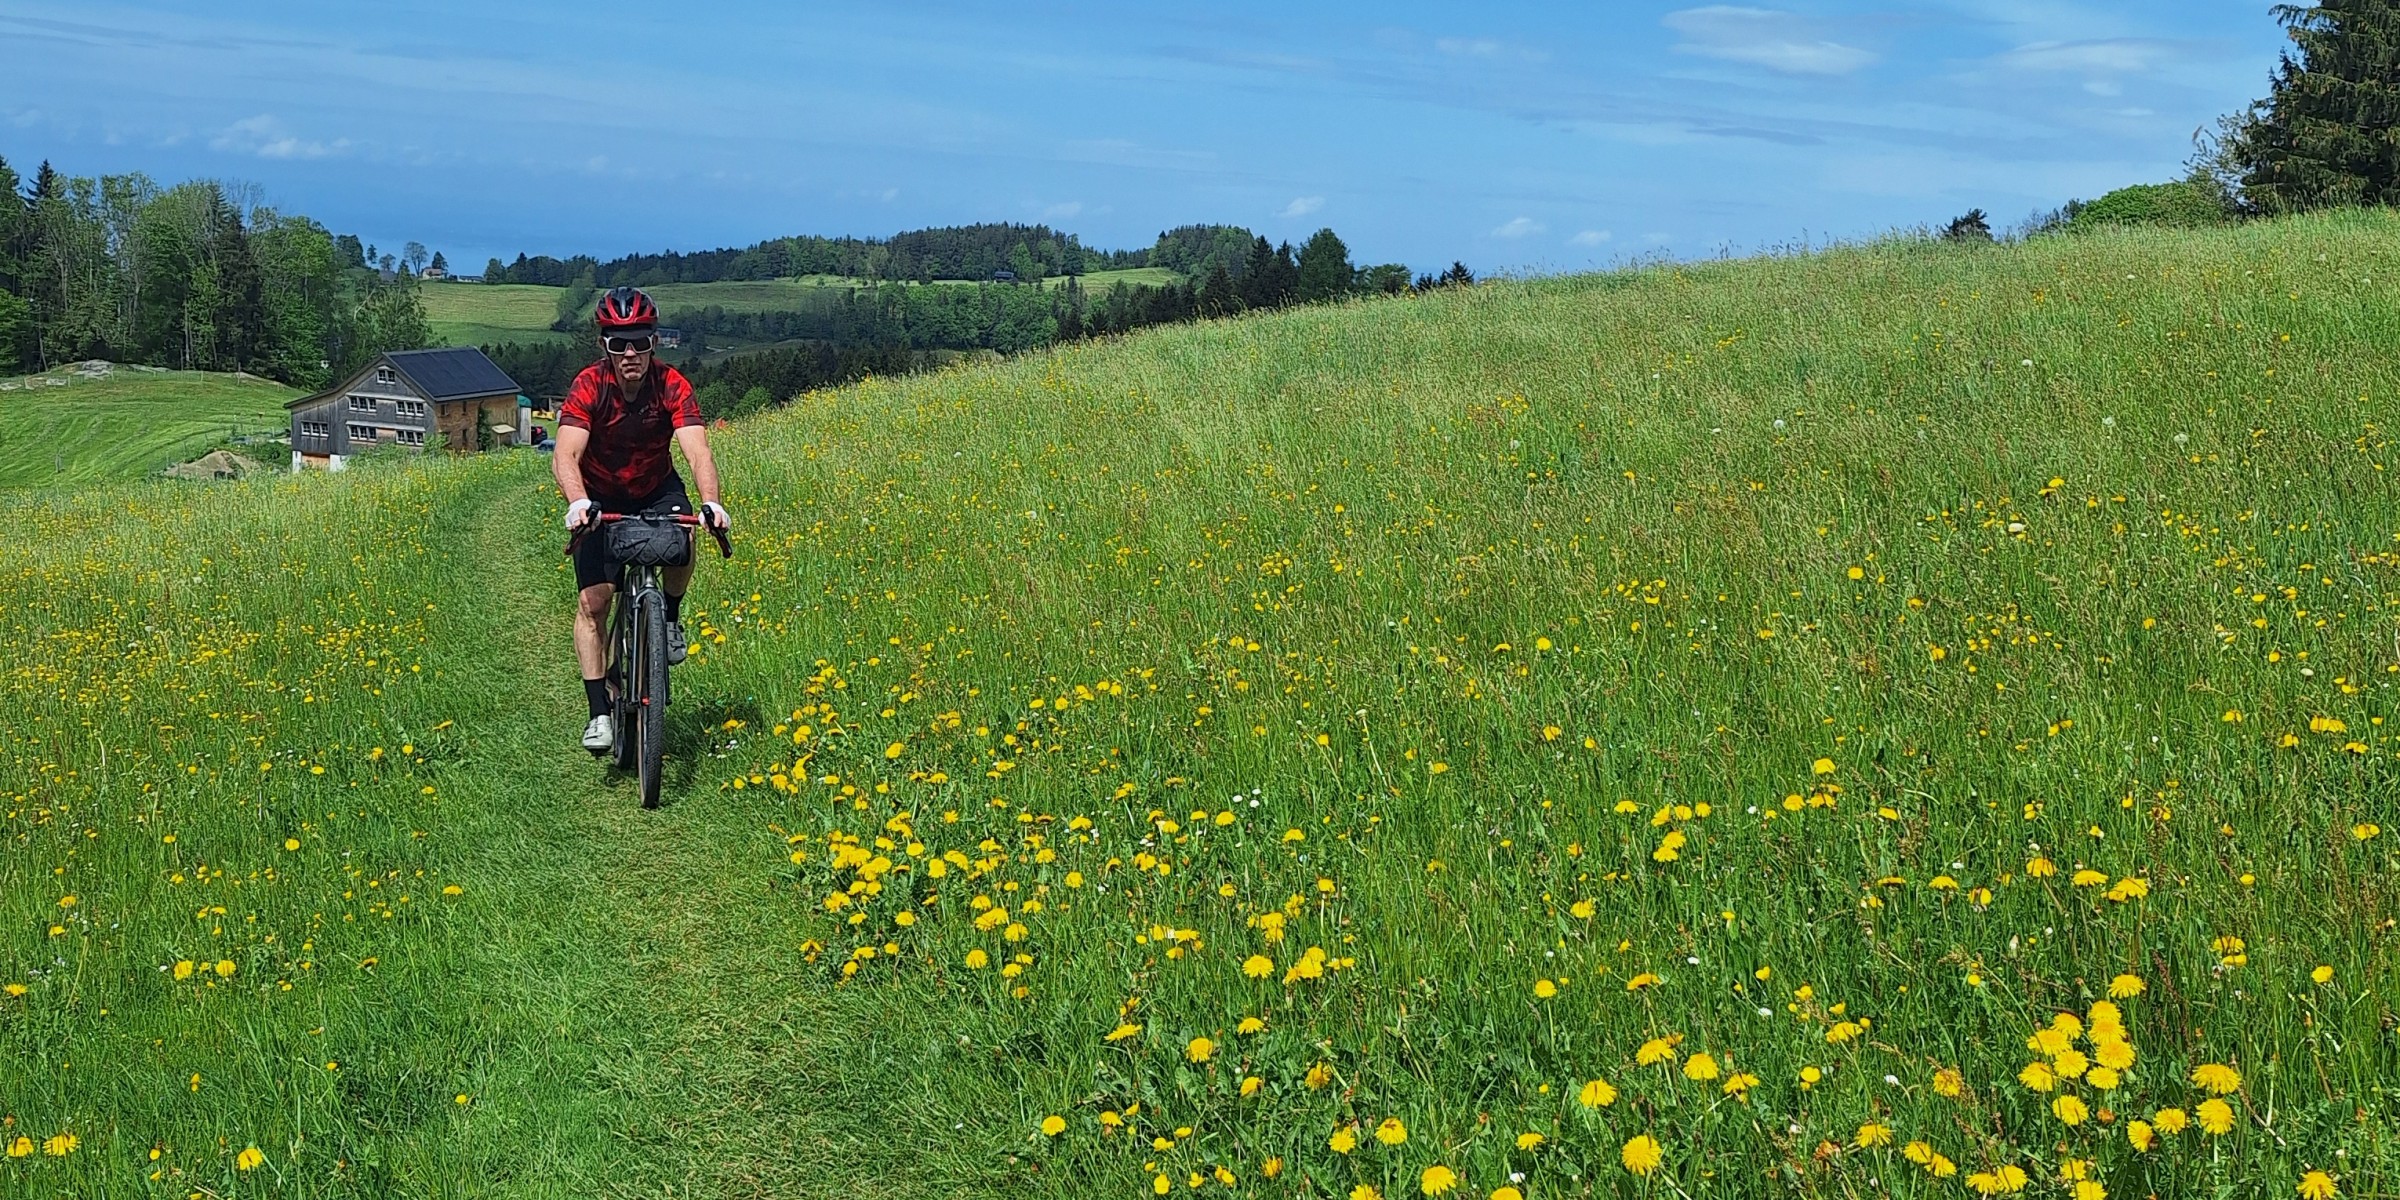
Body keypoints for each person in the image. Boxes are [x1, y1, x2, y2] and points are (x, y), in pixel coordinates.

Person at [554, 286, 730, 751]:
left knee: (686, 536)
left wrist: (711, 502)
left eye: (640, 341)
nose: (630, 352)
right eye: (618, 343)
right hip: (598, 495)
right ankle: (598, 713)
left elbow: (698, 451)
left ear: (655, 341)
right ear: (604, 346)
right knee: (594, 605)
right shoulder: (589, 385)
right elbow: (566, 455)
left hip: (655, 487)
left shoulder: (672, 384)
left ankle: (669, 618)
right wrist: (577, 501)